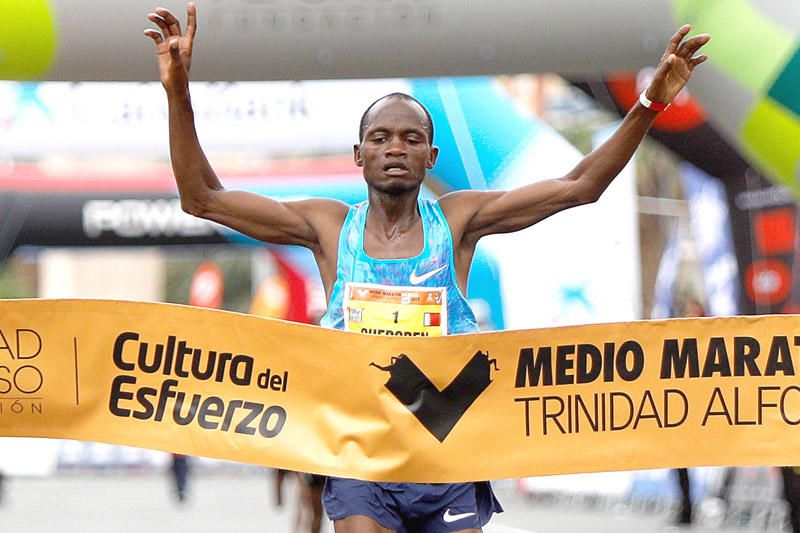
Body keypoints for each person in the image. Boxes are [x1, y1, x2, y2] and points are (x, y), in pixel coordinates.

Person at [144, 4, 709, 531]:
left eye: (412, 138)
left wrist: (650, 104)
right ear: (358, 155)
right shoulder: (329, 228)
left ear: (431, 158)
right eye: (380, 137)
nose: (395, 147)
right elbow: (204, 199)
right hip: (362, 450)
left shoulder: (458, 221)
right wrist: (178, 93)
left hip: (446, 447)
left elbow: (579, 186)